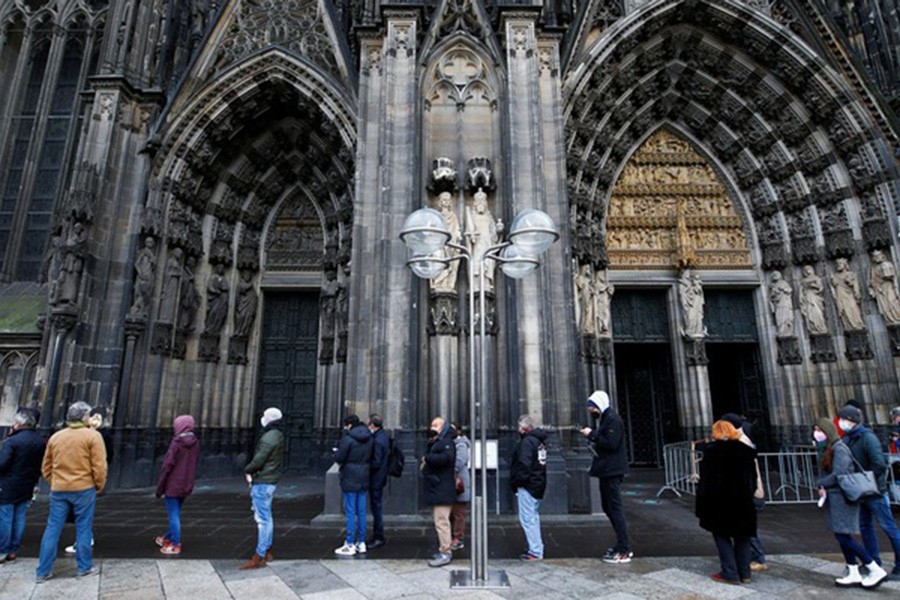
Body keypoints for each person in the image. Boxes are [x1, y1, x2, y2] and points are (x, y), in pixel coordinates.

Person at [35, 402, 107, 583]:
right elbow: (99, 466)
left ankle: (43, 571)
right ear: (84, 417)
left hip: (59, 489)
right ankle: (84, 567)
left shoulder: (56, 437)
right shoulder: (93, 436)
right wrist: (98, 485)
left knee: (52, 528)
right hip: (83, 488)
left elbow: (46, 466)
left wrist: (56, 481)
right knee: (83, 527)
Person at [815, 418, 889, 588]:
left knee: (844, 536)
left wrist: (821, 483)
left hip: (843, 498)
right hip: (835, 498)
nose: (817, 433)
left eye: (820, 429)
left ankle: (874, 568)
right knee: (842, 536)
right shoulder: (830, 448)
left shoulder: (840, 448)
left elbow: (839, 474)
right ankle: (853, 571)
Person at [838, 405, 900, 580]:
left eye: (843, 419)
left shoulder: (867, 438)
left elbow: (879, 464)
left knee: (889, 528)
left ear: (850, 420)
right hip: (860, 492)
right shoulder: (848, 438)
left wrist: (869, 482)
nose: (841, 422)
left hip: (874, 491)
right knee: (865, 528)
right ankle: (873, 564)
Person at [695, 420, 757, 585]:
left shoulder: (712, 452)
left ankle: (730, 572)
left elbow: (706, 481)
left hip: (720, 503)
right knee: (742, 537)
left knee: (721, 536)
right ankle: (745, 573)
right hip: (743, 501)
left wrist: (701, 503)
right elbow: (753, 479)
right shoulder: (746, 451)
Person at [580, 390, 631, 563]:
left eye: (592, 406)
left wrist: (591, 434)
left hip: (612, 471)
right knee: (608, 507)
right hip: (606, 470)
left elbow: (611, 444)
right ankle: (621, 544)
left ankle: (624, 549)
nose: (590, 410)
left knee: (615, 509)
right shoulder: (604, 419)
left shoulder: (612, 419)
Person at [721, 413, 768, 573]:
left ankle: (758, 558)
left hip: (747, 492)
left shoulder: (742, 442)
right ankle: (746, 557)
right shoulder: (739, 440)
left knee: (747, 528)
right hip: (745, 491)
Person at [240, 407, 285, 570]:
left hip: (263, 481)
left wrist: (247, 469)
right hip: (271, 479)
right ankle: (267, 549)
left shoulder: (268, 438)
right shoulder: (278, 435)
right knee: (267, 517)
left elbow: (259, 461)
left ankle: (259, 555)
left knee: (262, 520)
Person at [0, 408, 46, 563]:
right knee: (20, 516)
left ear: (19, 423)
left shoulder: (13, 441)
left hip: (9, 483)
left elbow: (3, 464)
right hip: (27, 482)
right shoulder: (40, 440)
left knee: (6, 516)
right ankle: (13, 550)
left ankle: (2, 550)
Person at [65, 408, 113, 554]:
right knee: (81, 511)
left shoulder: (75, 435)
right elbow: (107, 458)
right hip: (85, 478)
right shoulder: (99, 435)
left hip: (76, 478)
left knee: (75, 513)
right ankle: (84, 541)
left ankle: (83, 542)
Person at [154, 415, 200, 555]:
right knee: (176, 513)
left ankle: (175, 544)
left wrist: (160, 486)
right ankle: (166, 538)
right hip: (187, 483)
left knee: (173, 515)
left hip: (173, 484)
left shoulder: (177, 442)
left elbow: (167, 465)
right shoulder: (195, 442)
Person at [333, 415, 373, 556]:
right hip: (364, 476)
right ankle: (361, 542)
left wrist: (336, 453)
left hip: (350, 477)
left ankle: (349, 543)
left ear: (349, 425)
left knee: (350, 511)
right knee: (361, 511)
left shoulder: (348, 439)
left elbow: (339, 458)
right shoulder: (369, 438)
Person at [510, 415, 548, 561]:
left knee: (528, 518)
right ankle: (536, 547)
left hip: (528, 485)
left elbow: (524, 465)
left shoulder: (527, 442)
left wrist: (518, 482)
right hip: (538, 484)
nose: (518, 430)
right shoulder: (539, 442)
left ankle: (535, 551)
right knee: (533, 516)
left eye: (519, 427)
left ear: (524, 429)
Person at [421, 416, 456, 567]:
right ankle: (443, 548)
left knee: (442, 521)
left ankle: (446, 552)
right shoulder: (439, 441)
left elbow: (447, 459)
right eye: (431, 424)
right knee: (439, 521)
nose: (432, 427)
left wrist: (428, 458)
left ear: (443, 427)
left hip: (442, 488)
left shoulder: (446, 442)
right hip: (438, 487)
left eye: (435, 425)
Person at [367, 414, 389, 549]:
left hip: (376, 478)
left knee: (376, 507)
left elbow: (376, 461)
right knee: (376, 506)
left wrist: (365, 465)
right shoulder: (383, 436)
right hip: (380, 477)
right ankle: (377, 535)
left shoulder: (378, 440)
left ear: (373, 425)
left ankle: (378, 536)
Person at [450, 423, 470, 552]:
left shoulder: (461, 444)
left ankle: (458, 538)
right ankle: (453, 536)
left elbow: (459, 461)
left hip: (459, 483)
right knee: (453, 512)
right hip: (453, 482)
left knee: (459, 512)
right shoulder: (454, 443)